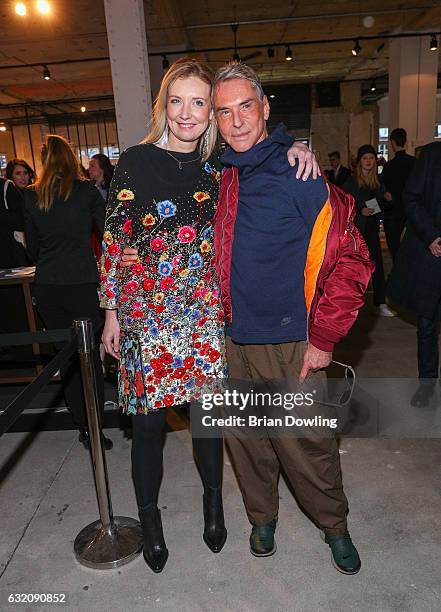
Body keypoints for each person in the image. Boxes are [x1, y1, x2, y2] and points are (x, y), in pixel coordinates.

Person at [101, 57, 319, 574]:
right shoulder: (133, 160)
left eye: (199, 102)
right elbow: (114, 240)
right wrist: (111, 312)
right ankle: (150, 521)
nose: (186, 112)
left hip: (202, 316)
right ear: (164, 105)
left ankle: (214, 505)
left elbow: (263, 147)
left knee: (206, 423)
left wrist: (295, 145)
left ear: (210, 112)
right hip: (145, 315)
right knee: (148, 427)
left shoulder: (221, 165)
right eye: (177, 100)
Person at [209, 61, 374, 575]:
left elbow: (352, 256)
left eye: (245, 107)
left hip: (292, 343)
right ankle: (262, 518)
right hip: (228, 338)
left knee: (308, 447)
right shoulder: (213, 174)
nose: (236, 122)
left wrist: (324, 336)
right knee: (248, 443)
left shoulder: (298, 170)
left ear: (265, 108)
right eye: (224, 112)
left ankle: (335, 526)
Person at [23, 135, 112, 450]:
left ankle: (84, 427)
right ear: (72, 159)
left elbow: (32, 248)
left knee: (68, 361)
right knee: (89, 361)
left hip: (49, 286)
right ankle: (95, 427)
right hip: (83, 285)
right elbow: (107, 233)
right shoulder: (86, 192)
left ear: (44, 161)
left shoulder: (32, 197)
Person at [386, 142, 441, 408]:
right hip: (433, 255)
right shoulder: (431, 155)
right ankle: (426, 385)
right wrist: (431, 236)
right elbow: (411, 196)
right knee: (427, 326)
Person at [343, 144, 395, 317]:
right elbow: (343, 205)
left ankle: (380, 302)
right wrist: (359, 210)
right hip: (355, 231)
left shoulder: (377, 181)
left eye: (371, 158)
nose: (368, 161)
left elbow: (383, 204)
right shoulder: (351, 182)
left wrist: (386, 199)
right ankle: (350, 304)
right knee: (354, 267)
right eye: (365, 158)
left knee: (377, 266)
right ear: (359, 162)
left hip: (371, 229)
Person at [380, 128, 415, 261]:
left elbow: (382, 191)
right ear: (405, 142)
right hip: (410, 215)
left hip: (393, 215)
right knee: (408, 253)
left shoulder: (389, 166)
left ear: (393, 143)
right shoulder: (414, 163)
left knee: (395, 252)